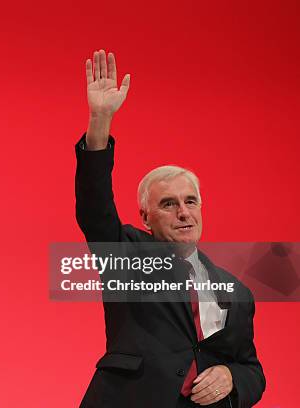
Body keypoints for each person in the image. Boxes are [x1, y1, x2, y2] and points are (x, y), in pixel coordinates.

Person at [75, 50, 265, 407]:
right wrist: (100, 122)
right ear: (146, 217)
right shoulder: (128, 254)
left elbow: (252, 368)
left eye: (190, 201)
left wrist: (232, 377)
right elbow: (94, 209)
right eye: (168, 204)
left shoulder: (236, 290)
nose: (183, 212)